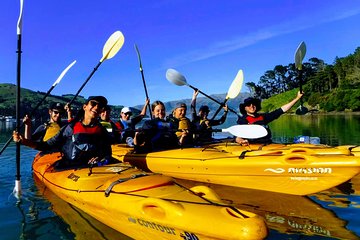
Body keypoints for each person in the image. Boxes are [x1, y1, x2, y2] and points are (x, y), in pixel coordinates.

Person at [13, 96, 112, 167]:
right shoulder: (69, 128)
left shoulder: (101, 130)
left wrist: (100, 158)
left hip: (92, 168)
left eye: (100, 106)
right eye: (93, 104)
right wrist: (24, 141)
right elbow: (46, 146)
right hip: (70, 167)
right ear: (85, 107)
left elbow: (107, 153)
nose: (96, 107)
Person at [235, 91, 304, 145]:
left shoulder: (263, 117)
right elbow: (238, 137)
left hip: (268, 144)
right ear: (244, 108)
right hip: (253, 145)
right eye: (248, 105)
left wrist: (297, 98)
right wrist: (241, 141)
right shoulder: (243, 120)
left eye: (253, 104)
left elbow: (281, 110)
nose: (252, 106)